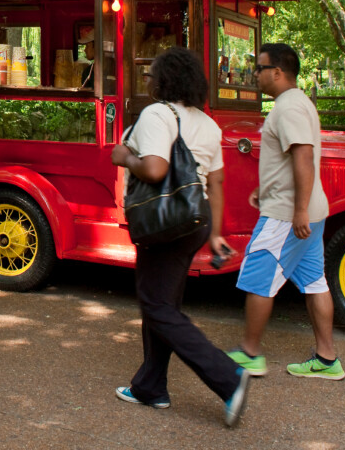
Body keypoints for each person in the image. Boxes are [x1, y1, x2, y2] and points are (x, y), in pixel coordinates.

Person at [110, 47, 250, 427]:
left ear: (163, 80)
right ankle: (151, 386)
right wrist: (215, 234)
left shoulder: (157, 114)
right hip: (195, 219)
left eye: (151, 74)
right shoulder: (209, 124)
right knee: (163, 302)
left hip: (165, 220)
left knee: (156, 305)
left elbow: (155, 169)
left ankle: (228, 378)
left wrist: (124, 157)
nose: (148, 80)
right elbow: (216, 183)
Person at [228, 42, 344, 381]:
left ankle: (250, 354)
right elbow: (286, 160)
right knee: (314, 282)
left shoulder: (289, 107)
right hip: (304, 209)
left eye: (259, 68)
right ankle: (327, 359)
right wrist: (264, 189)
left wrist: (299, 211)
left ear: (277, 72)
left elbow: (303, 157)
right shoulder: (297, 102)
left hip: (287, 214)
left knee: (258, 277)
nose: (255, 75)